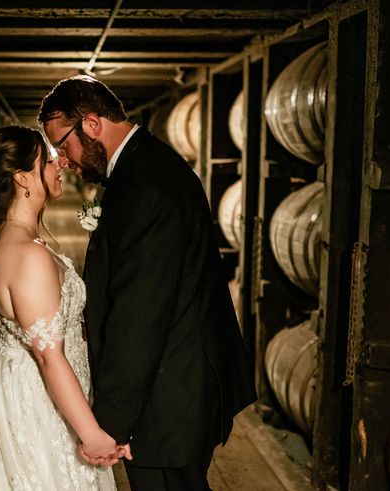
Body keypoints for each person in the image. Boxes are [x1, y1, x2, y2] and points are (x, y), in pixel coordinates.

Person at [39, 76, 257, 490]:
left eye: (61, 144)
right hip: (171, 384)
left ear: (91, 124)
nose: (63, 160)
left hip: (168, 395)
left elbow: (139, 317)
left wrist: (112, 423)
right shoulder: (143, 167)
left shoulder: (146, 187)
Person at [0, 125, 125, 490]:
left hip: (24, 389)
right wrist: (91, 434)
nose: (60, 162)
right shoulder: (28, 255)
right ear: (22, 177)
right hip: (33, 406)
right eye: (48, 160)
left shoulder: (16, 238)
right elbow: (49, 357)